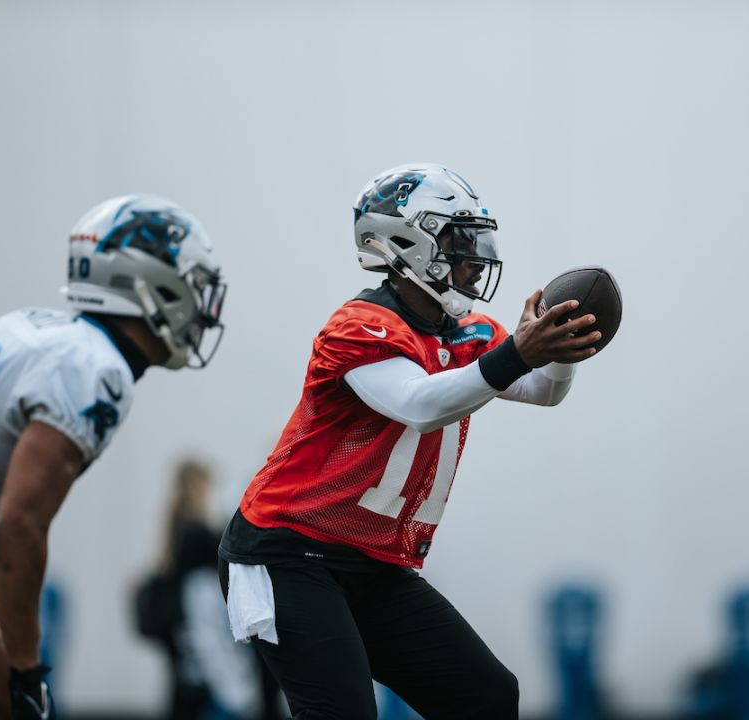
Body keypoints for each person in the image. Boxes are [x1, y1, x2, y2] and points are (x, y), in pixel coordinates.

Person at [217, 163, 601, 719]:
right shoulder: (358, 325)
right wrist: (520, 350)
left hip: (369, 560)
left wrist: (561, 353)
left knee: (484, 697)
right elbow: (419, 405)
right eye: (458, 239)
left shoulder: (466, 331)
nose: (475, 257)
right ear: (407, 242)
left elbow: (543, 389)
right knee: (343, 713)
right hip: (286, 552)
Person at [0, 195, 227, 719]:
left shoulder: (41, 328)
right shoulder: (96, 368)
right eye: (192, 286)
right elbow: (17, 528)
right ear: (149, 285)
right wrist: (28, 665)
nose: (200, 308)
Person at [144, 459, 281, 719]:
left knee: (185, 687)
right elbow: (219, 546)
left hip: (183, 621)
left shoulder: (176, 520)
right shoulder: (194, 529)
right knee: (201, 688)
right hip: (194, 619)